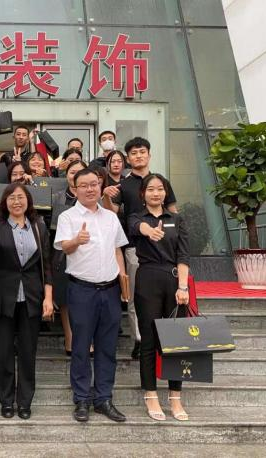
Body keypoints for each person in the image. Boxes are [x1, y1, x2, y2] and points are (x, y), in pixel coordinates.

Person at [54, 168, 128, 423]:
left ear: (100, 186)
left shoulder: (110, 217)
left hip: (110, 290)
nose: (90, 189)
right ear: (75, 189)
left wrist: (123, 279)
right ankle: (82, 399)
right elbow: (64, 247)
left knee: (107, 347)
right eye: (84, 185)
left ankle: (104, 398)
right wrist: (77, 240)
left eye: (94, 184)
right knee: (81, 347)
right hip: (82, 290)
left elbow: (117, 250)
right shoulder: (68, 216)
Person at [0, 183, 53, 419]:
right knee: (4, 352)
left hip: (32, 296)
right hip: (4, 296)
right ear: (4, 203)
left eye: (20, 197)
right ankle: (7, 400)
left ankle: (25, 401)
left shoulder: (39, 226)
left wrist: (48, 297)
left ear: (28, 200)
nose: (16, 202)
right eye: (11, 198)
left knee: (28, 352)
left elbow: (47, 264)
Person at [102, 136, 178, 361]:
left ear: (149, 154)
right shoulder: (123, 185)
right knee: (137, 296)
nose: (138, 156)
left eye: (142, 152)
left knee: (167, 296)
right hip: (135, 248)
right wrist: (106, 196)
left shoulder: (161, 182)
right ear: (128, 158)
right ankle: (140, 339)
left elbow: (174, 212)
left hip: (165, 249)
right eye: (133, 153)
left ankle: (165, 339)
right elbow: (112, 213)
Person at [128, 173, 190, 422]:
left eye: (160, 189)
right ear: (142, 194)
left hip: (175, 282)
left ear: (166, 193)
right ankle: (151, 394)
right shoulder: (136, 217)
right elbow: (136, 227)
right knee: (149, 340)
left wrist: (183, 287)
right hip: (148, 279)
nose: (156, 193)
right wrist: (148, 230)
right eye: (151, 189)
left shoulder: (177, 219)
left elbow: (184, 255)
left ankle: (175, 397)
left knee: (176, 341)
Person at [51, 159, 86, 356]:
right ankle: (69, 337)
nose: (76, 175)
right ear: (67, 176)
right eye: (72, 172)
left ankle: (87, 339)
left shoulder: (93, 198)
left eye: (80, 172)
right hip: (61, 252)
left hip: (87, 252)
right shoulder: (56, 197)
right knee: (65, 298)